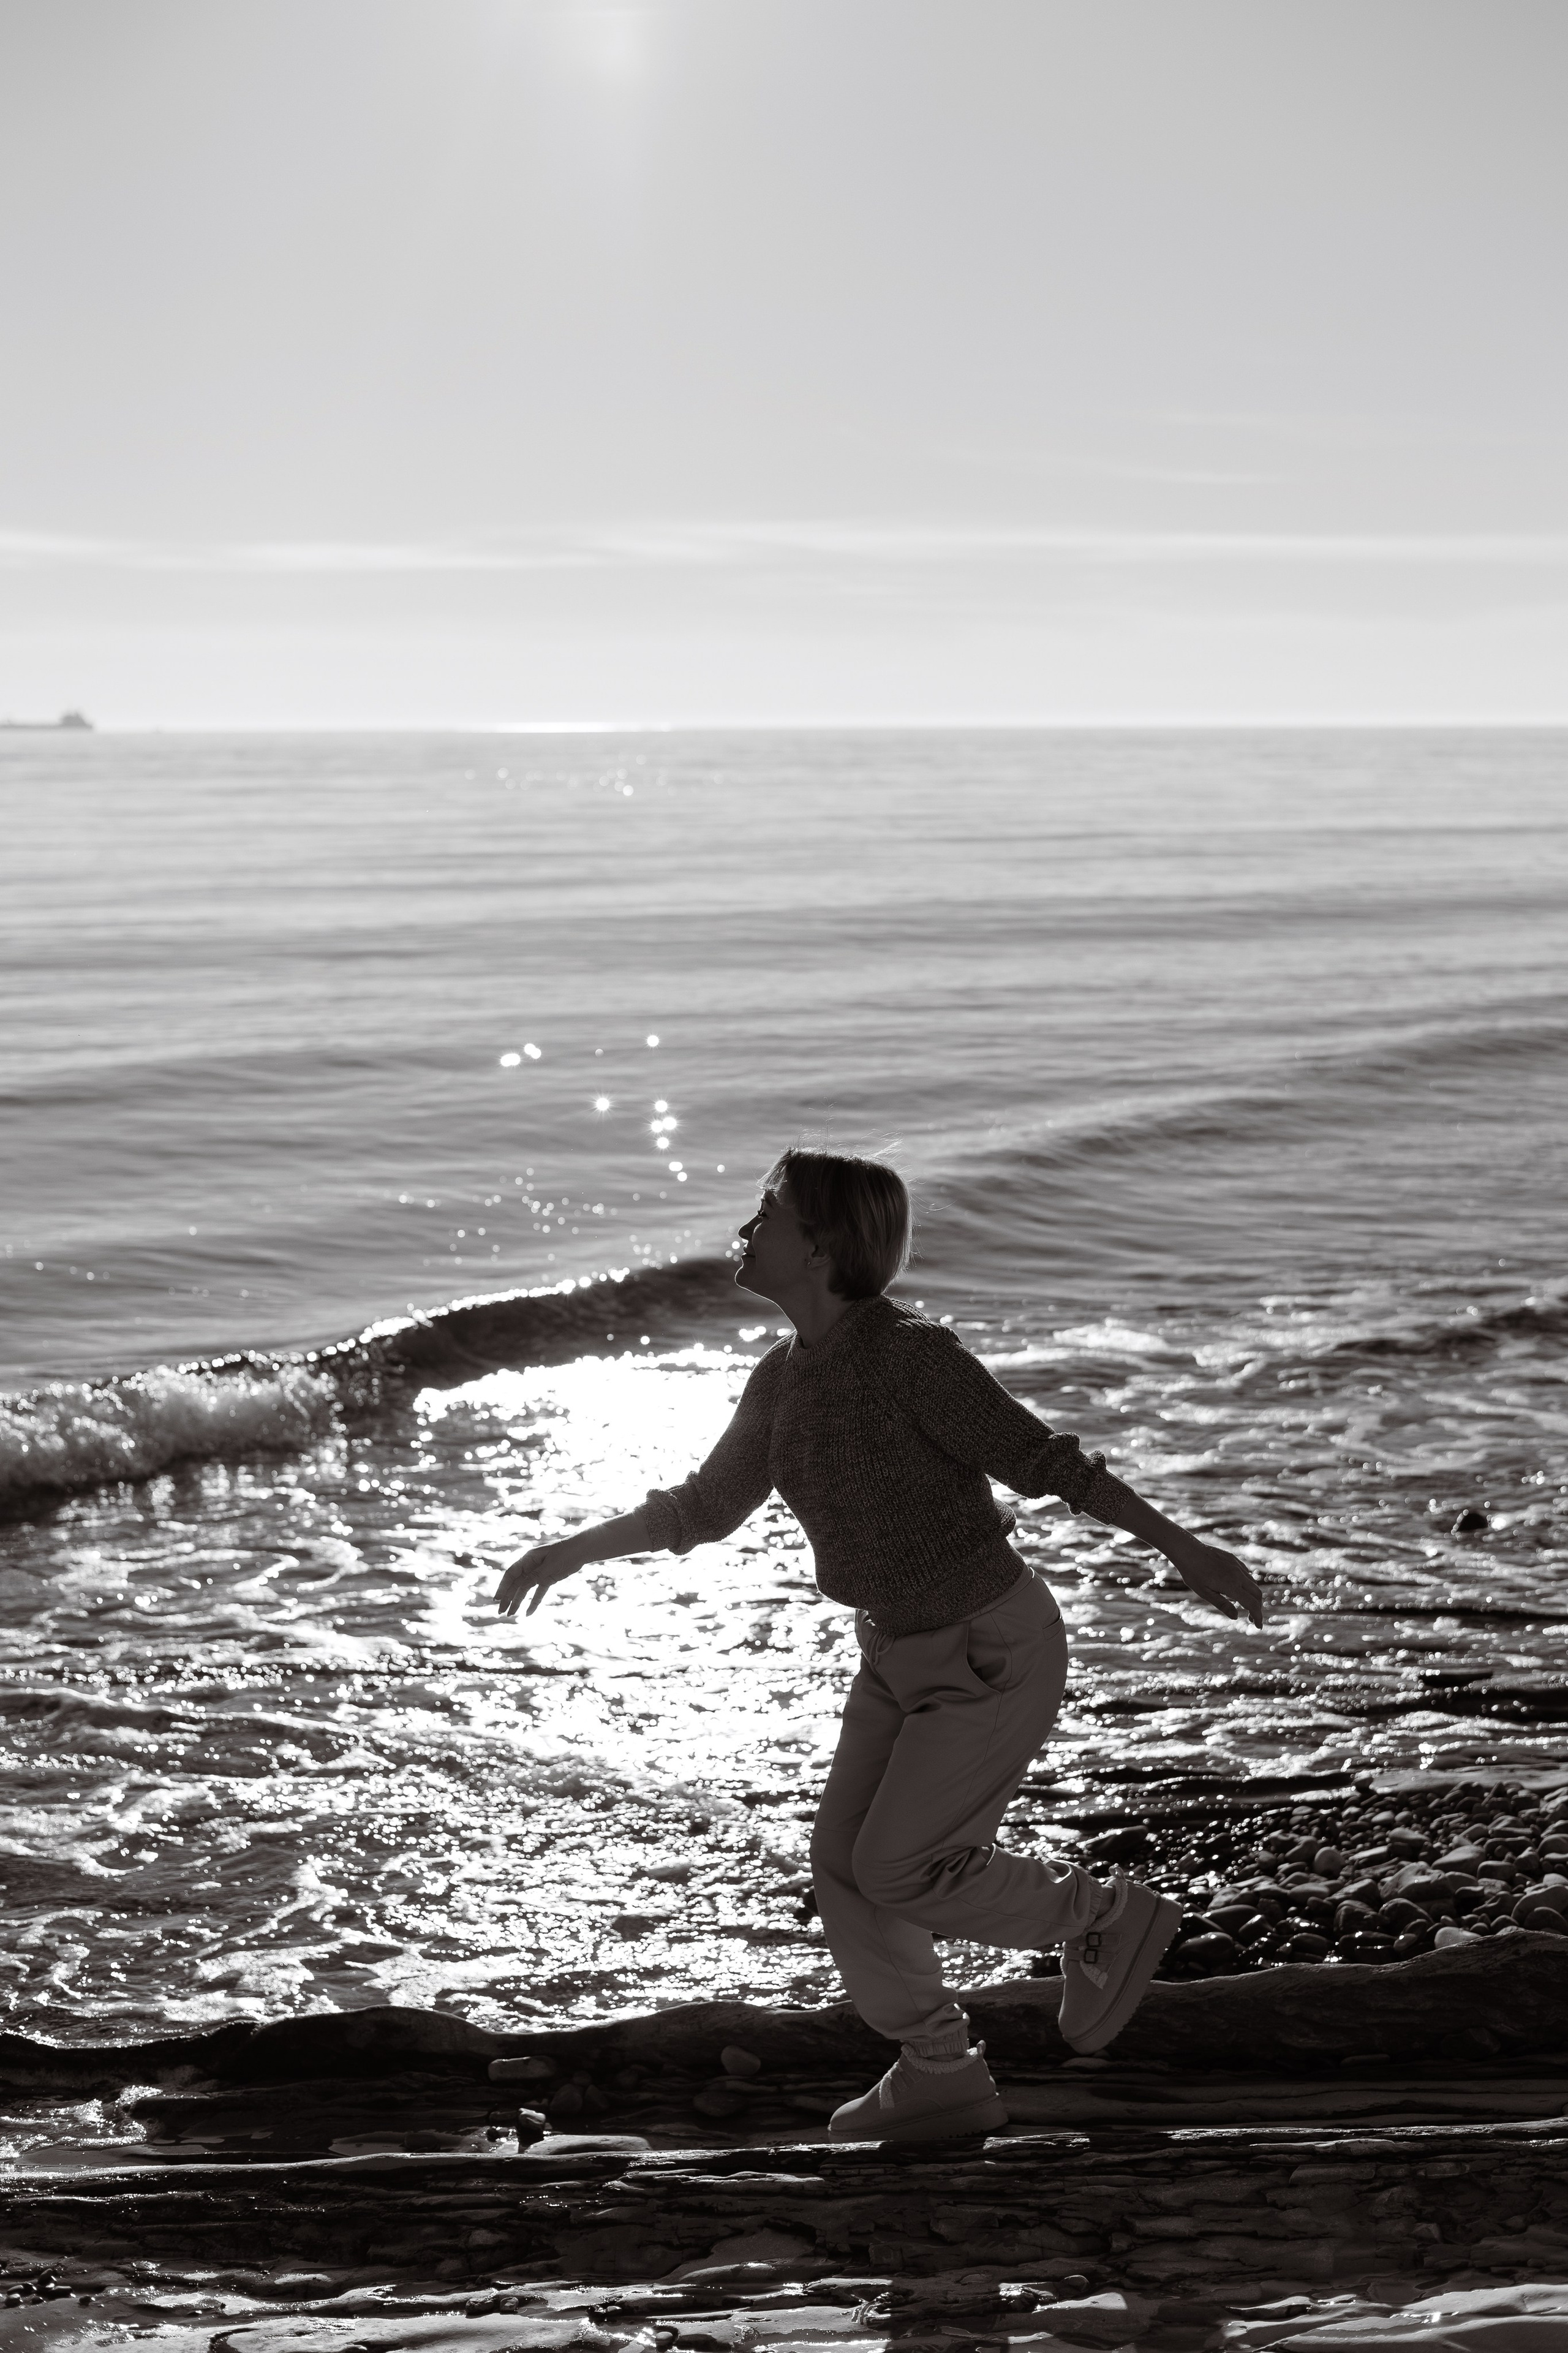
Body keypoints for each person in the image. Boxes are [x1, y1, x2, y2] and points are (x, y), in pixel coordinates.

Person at [495, 1148, 1264, 2145]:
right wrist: (572, 1548)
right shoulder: (782, 1379)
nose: (746, 1225)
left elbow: (1044, 1460)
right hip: (896, 1656)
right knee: (844, 1867)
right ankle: (940, 2067)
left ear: (820, 1245)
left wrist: (1183, 1548)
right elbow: (705, 1507)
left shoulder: (910, 1354)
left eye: (767, 1210)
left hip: (992, 1648)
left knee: (900, 1865)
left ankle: (1104, 1915)